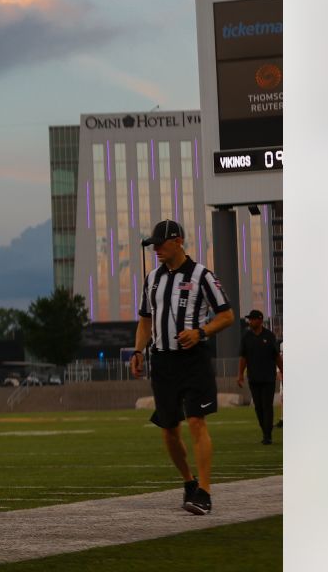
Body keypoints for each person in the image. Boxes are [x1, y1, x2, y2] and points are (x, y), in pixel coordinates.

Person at [129, 220, 234, 516]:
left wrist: (200, 332)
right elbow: (145, 320)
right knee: (168, 429)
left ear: (178, 241)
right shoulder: (152, 279)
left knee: (197, 421)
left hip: (193, 358)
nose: (157, 250)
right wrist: (138, 350)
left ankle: (205, 491)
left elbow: (226, 315)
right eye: (153, 246)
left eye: (160, 244)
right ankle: (189, 482)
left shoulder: (202, 275)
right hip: (162, 361)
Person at [237, 309, 282, 445]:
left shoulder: (269, 336)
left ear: (260, 320)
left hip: (268, 378)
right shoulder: (246, 337)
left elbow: (276, 357)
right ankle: (265, 430)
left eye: (253, 319)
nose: (250, 321)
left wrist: (283, 371)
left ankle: (267, 435)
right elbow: (243, 357)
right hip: (254, 378)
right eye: (249, 319)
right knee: (258, 407)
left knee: (267, 406)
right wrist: (240, 375)